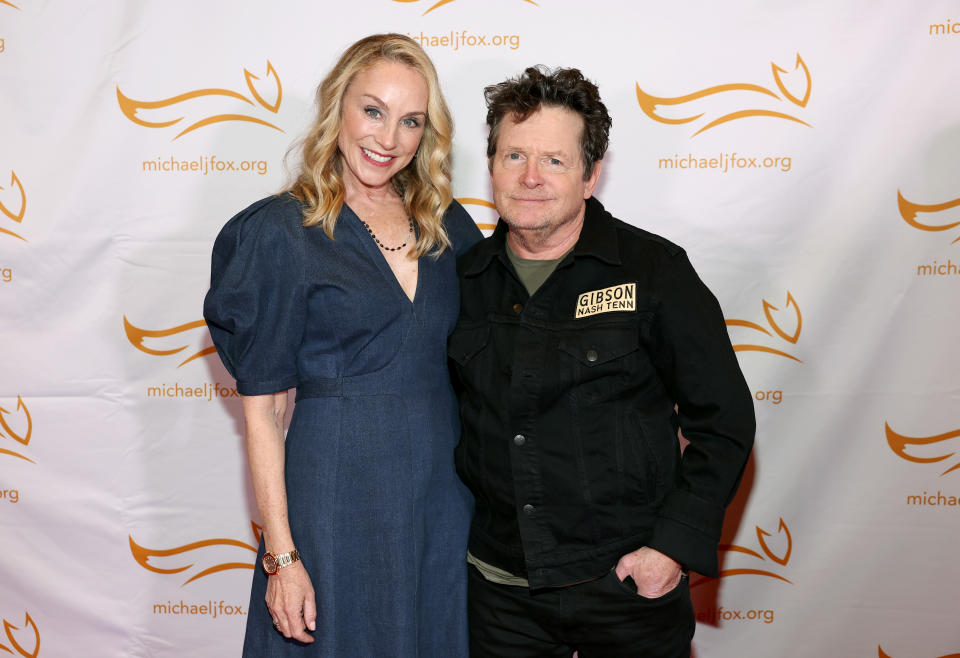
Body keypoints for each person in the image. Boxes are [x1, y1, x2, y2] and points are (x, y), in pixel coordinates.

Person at [448, 66, 756, 657]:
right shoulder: (461, 281)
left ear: (590, 176)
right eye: (514, 156)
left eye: (555, 161)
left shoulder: (654, 271)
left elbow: (723, 421)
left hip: (624, 590)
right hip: (500, 594)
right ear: (490, 168)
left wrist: (670, 550)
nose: (531, 177)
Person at [203, 33, 481, 656]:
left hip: (443, 500)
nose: (388, 139)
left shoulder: (447, 226)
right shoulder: (282, 231)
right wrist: (282, 556)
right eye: (373, 110)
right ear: (337, 106)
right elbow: (267, 411)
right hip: (335, 497)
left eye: (411, 121)